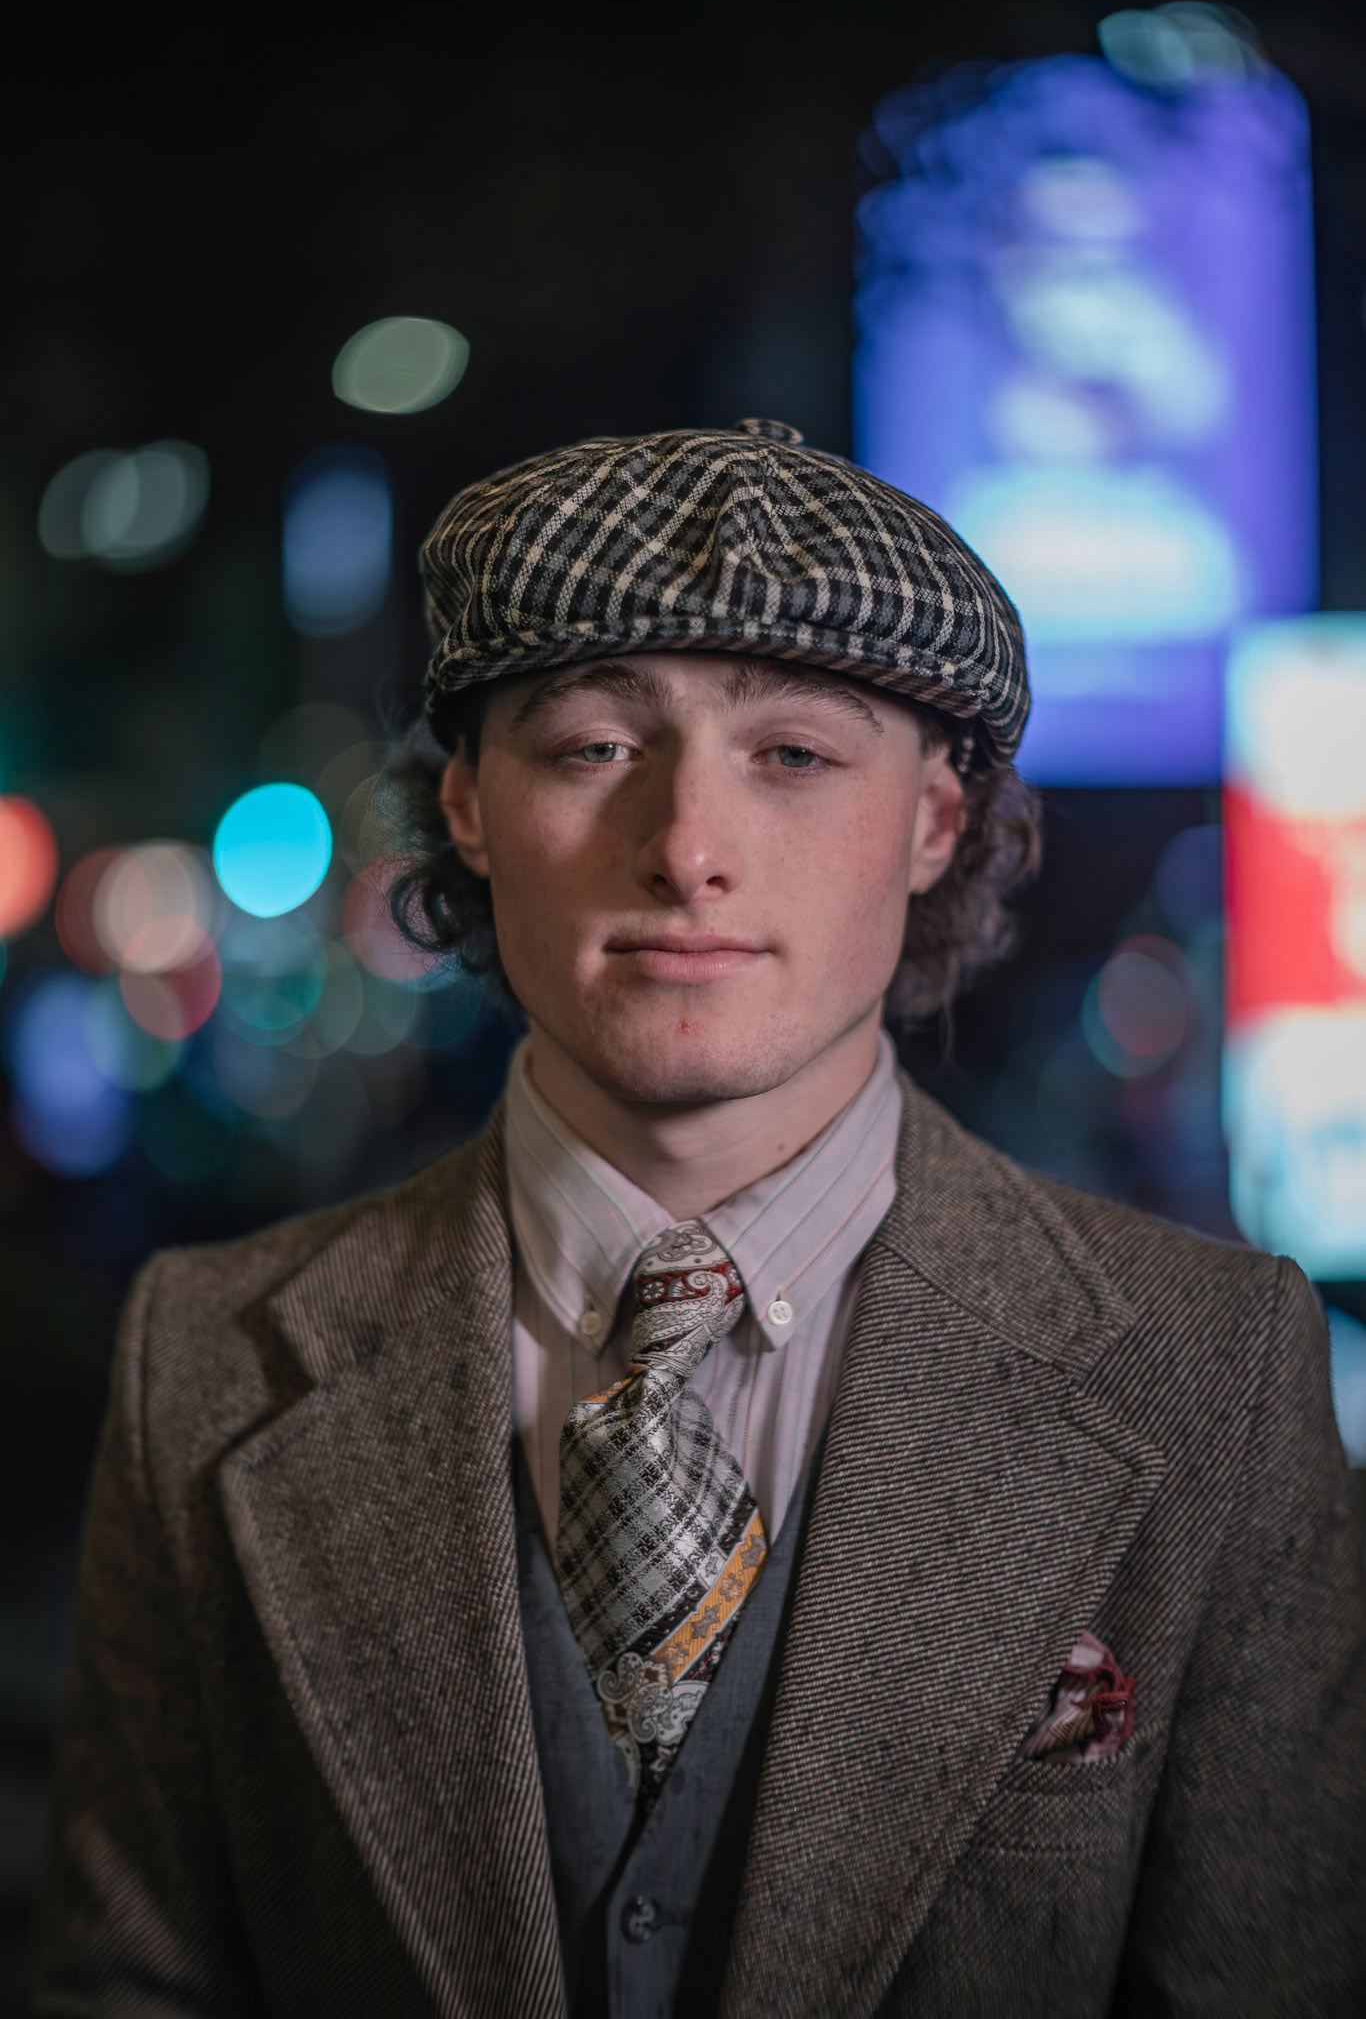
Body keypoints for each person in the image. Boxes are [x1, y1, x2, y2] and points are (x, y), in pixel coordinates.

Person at [31, 419, 1366, 2018]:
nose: (684, 850)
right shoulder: (203, 1357)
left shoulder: (1211, 1372)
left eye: (792, 755)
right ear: (466, 805)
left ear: (935, 821)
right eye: (593, 747)